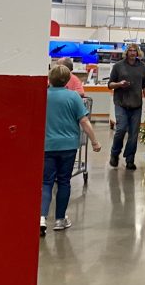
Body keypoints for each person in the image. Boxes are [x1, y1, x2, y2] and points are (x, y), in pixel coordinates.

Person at [42, 65, 101, 236]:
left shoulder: (43, 96)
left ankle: (42, 218)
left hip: (48, 145)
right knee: (64, 181)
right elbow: (84, 121)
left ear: (49, 79)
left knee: (46, 183)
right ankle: (60, 219)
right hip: (68, 146)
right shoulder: (73, 97)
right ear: (68, 80)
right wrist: (95, 142)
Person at [108, 43, 145, 171]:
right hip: (121, 103)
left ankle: (130, 159)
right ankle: (114, 154)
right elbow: (110, 85)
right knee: (120, 129)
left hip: (136, 105)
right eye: (130, 51)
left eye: (135, 51)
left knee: (133, 134)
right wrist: (120, 84)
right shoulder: (118, 66)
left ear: (138, 53)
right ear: (126, 52)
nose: (132, 53)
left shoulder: (143, 67)